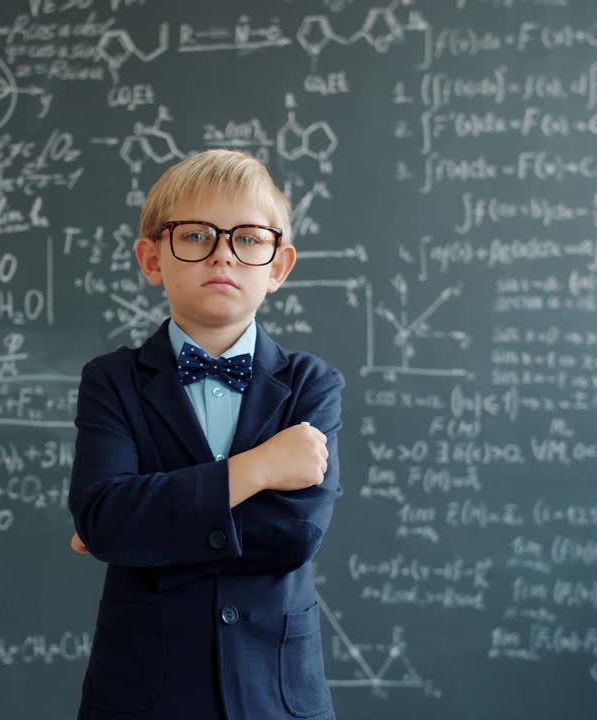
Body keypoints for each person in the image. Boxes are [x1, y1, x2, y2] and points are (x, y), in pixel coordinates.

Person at [67, 148, 345, 720]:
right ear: (151, 258)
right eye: (194, 236)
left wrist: (146, 530)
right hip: (143, 695)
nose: (223, 254)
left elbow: (295, 537)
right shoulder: (112, 381)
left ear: (277, 267)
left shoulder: (311, 385)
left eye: (248, 238)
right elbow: (105, 519)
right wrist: (258, 470)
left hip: (277, 696)